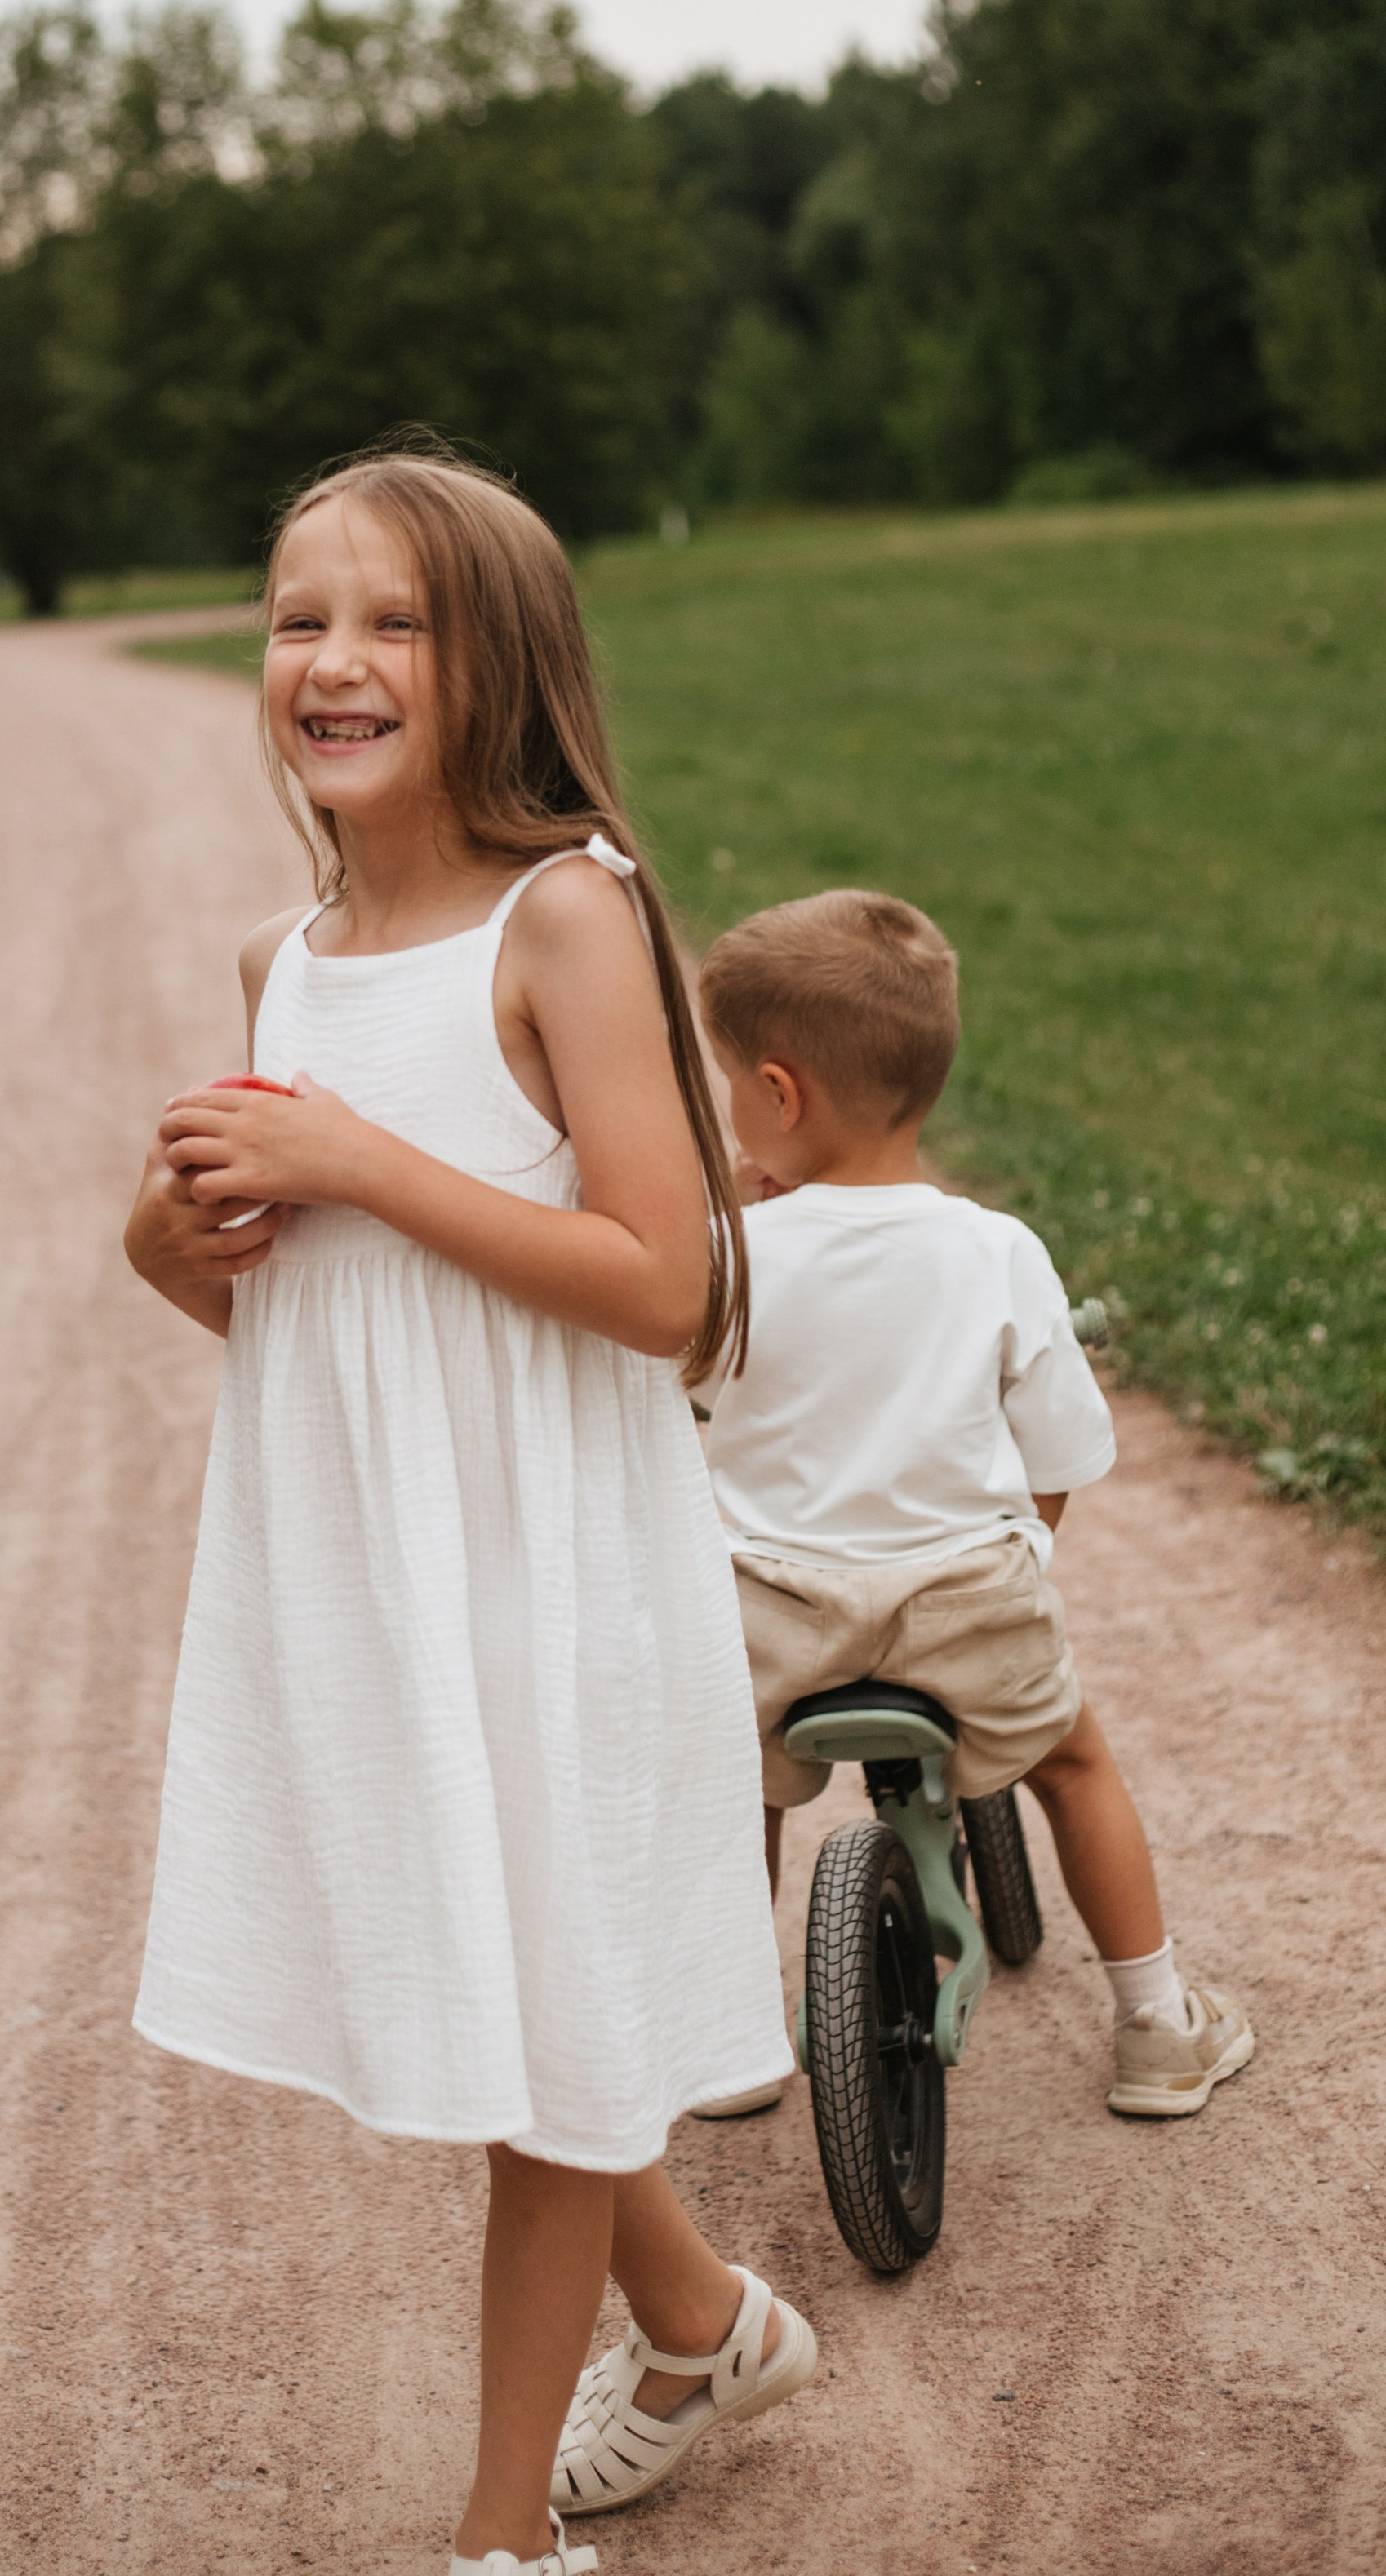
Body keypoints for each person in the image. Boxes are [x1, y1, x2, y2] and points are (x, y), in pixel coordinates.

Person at [123, 451, 816, 2576]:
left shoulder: (565, 916)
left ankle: (501, 2544)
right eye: (293, 616)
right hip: (391, 1579)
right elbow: (286, 1314)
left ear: (497, 662)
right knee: (514, 1986)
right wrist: (172, 1232)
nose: (329, 661)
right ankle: (698, 2327)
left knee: (541, 2053)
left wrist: (354, 1166)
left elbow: (672, 1280)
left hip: (560, 1573)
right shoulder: (288, 957)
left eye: (391, 622)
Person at [693, 885, 1255, 2121]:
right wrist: (1020, 1549)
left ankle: (727, 2043)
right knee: (1076, 1760)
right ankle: (1158, 2024)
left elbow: (673, 1403)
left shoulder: (728, 1256)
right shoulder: (996, 1252)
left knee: (724, 1785)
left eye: (729, 1081)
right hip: (963, 1607)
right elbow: (1058, 1449)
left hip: (773, 1616)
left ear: (777, 1098)